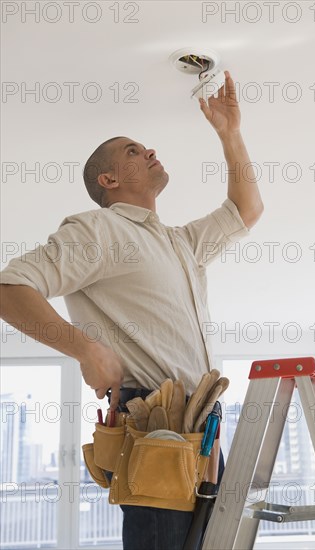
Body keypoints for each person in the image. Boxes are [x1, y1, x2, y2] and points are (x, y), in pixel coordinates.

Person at [0, 70, 264, 550]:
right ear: (110, 179)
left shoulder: (178, 242)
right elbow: (9, 286)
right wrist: (87, 350)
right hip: (156, 428)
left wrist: (230, 133)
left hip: (201, 428)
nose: (150, 152)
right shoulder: (99, 230)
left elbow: (246, 209)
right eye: (133, 151)